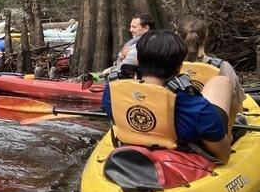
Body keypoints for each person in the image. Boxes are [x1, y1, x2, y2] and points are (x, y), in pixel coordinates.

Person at [102, 30, 233, 163]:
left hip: (131, 150)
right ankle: (231, 134)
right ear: (180, 67)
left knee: (218, 84)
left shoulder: (111, 92)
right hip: (182, 162)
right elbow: (223, 157)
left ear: (138, 60)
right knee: (222, 82)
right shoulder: (196, 107)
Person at [178, 16, 244, 124]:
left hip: (182, 130)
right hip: (216, 132)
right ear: (205, 37)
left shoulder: (168, 67)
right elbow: (237, 107)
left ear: (177, 36)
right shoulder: (222, 67)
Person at [101, 13, 153, 77]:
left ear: (146, 28)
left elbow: (126, 66)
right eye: (130, 26)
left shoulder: (146, 45)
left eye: (134, 27)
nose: (130, 30)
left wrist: (109, 70)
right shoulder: (135, 42)